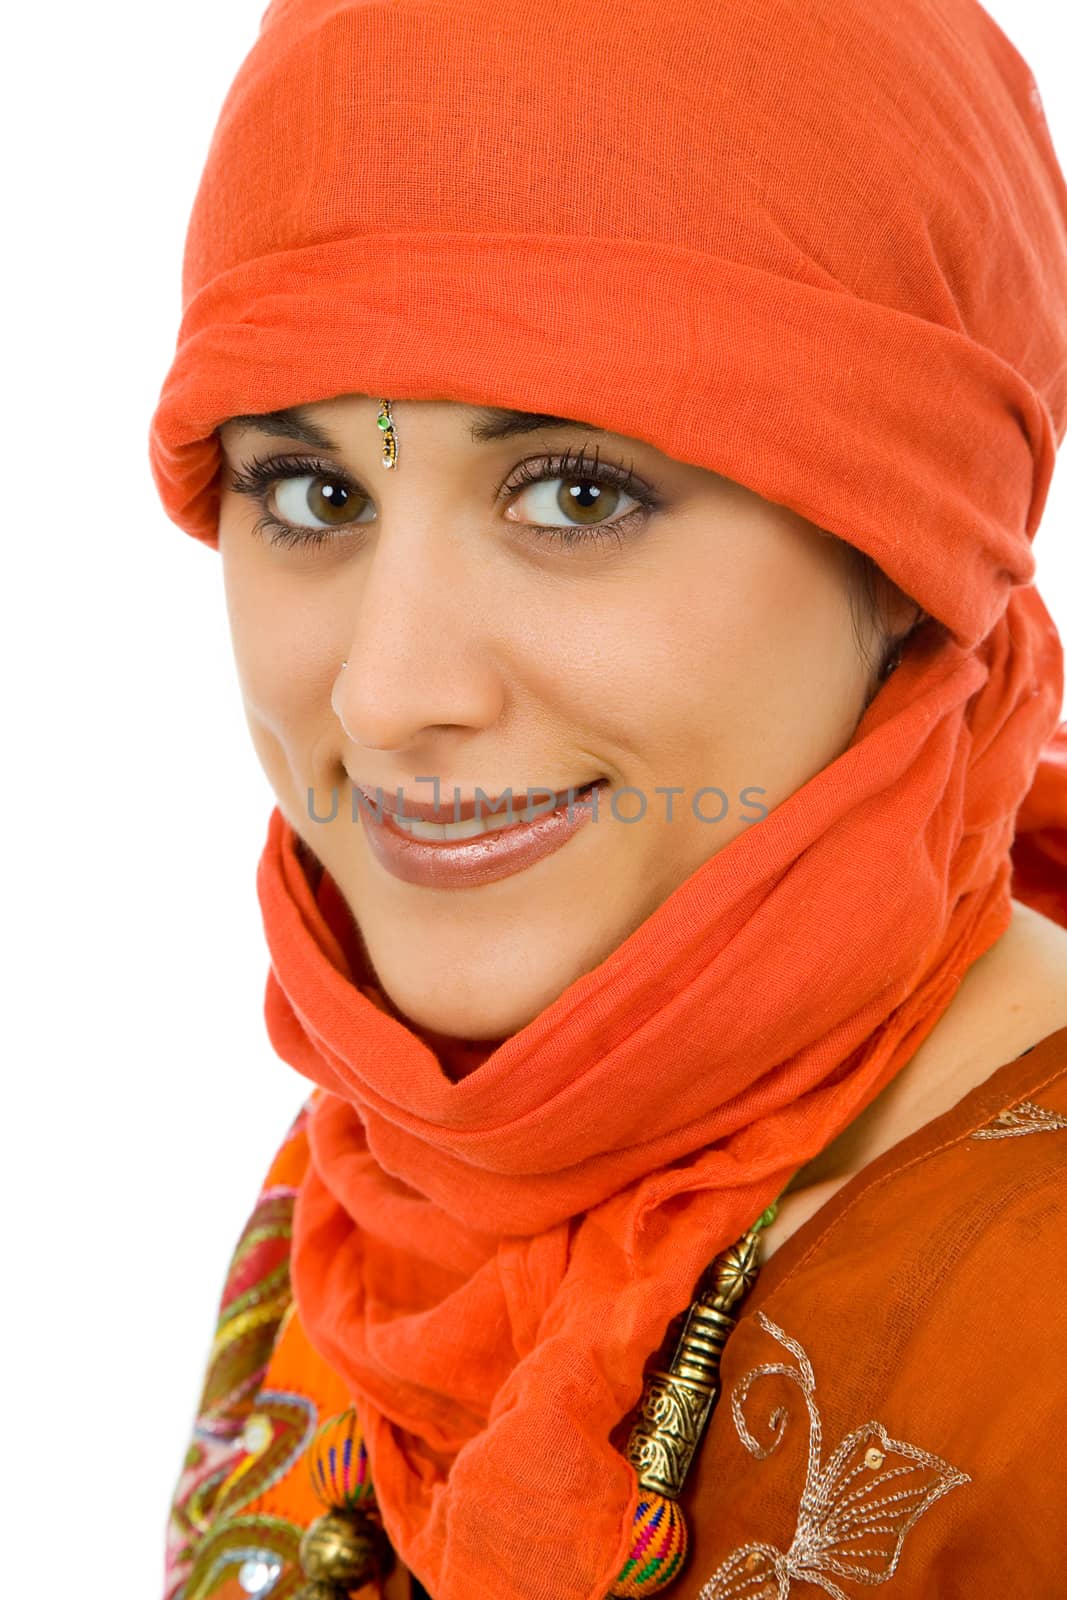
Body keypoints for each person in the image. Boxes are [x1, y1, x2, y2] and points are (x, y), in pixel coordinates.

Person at [148, 1, 1067, 1596]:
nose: (384, 692)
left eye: (577, 493)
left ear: (913, 556)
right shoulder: (388, 1181)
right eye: (312, 494)